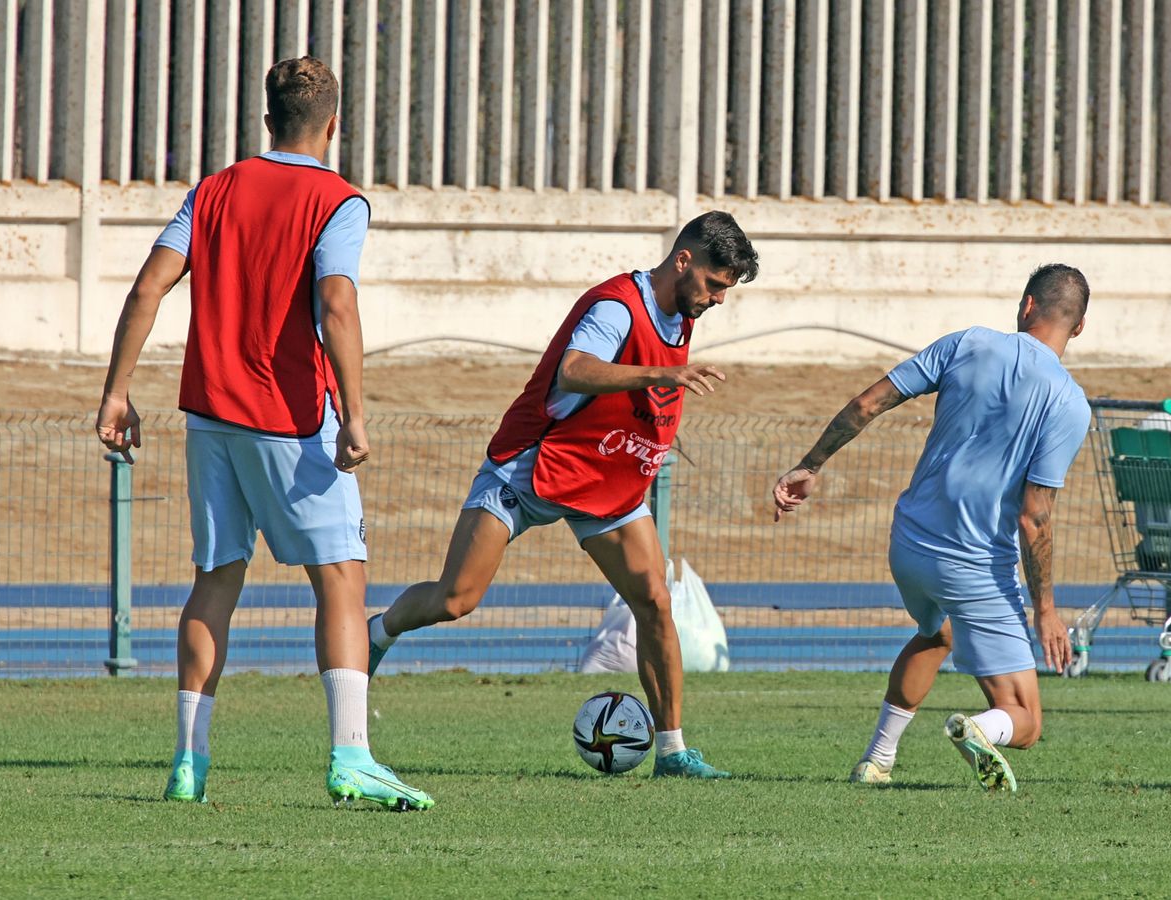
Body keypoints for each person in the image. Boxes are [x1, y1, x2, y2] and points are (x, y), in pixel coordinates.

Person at [95, 57, 431, 811]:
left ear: (268, 120)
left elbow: (149, 286)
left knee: (216, 578)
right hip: (289, 416)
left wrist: (116, 392)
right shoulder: (337, 199)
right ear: (333, 125)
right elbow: (336, 303)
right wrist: (354, 411)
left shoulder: (212, 190)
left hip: (209, 416)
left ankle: (189, 762)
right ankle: (352, 757)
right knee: (340, 576)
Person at [367, 212, 759, 780]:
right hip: (532, 465)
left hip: (606, 479)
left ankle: (673, 753)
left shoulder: (681, 313)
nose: (719, 298)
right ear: (683, 261)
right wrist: (659, 377)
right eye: (716, 284)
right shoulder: (616, 306)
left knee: (654, 600)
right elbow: (575, 371)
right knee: (455, 599)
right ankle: (378, 633)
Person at [771, 264, 1092, 792]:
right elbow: (1034, 516)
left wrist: (811, 465)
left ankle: (877, 760)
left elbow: (866, 404)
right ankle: (982, 730)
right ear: (1078, 328)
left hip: (910, 543)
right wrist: (1047, 610)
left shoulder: (967, 342)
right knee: (1026, 720)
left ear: (1027, 305)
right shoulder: (1069, 402)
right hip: (972, 564)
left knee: (937, 633)